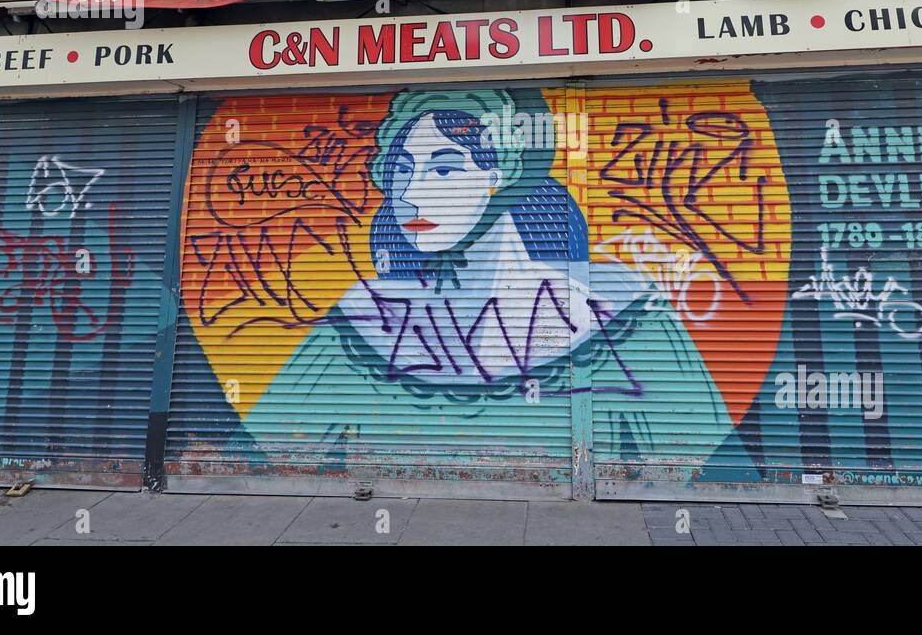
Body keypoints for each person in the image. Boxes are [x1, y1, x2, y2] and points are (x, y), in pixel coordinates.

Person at [241, 87, 734, 472]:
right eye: (403, 170)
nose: (409, 194)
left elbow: (709, 468)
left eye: (444, 169)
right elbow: (261, 459)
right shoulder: (363, 322)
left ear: (499, 176)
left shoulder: (623, 318)